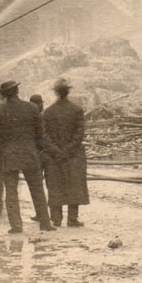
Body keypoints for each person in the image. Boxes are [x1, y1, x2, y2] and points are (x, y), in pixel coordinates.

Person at [0, 80, 53, 233]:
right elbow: (40, 134)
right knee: (37, 189)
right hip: (30, 154)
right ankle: (45, 223)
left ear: (3, 95)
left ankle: (16, 225)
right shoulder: (32, 108)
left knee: (11, 192)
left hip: (8, 156)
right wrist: (39, 151)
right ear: (17, 91)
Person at [42, 77, 89, 227]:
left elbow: (45, 136)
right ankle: (72, 219)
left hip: (54, 156)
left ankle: (56, 219)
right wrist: (68, 150)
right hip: (73, 155)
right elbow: (79, 133)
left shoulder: (48, 112)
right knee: (74, 185)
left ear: (56, 93)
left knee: (55, 185)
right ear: (68, 92)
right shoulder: (77, 110)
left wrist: (56, 151)